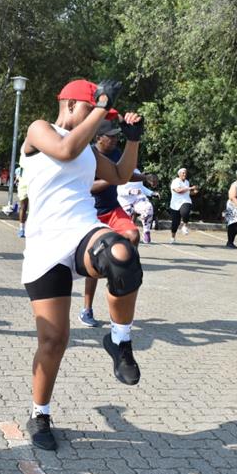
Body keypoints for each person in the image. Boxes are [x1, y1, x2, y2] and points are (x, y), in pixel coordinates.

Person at [21, 78, 145, 451]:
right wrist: (101, 106)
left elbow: (122, 175)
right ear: (72, 104)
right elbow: (63, 150)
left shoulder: (89, 152)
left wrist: (133, 139)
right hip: (44, 248)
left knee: (122, 255)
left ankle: (119, 340)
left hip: (81, 232)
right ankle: (39, 413)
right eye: (91, 110)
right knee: (54, 339)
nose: (98, 123)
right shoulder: (40, 130)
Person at [79, 118, 144, 328]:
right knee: (96, 261)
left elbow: (126, 174)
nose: (116, 139)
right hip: (93, 212)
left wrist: (144, 177)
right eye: (112, 136)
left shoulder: (116, 153)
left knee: (133, 235)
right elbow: (88, 187)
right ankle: (86, 310)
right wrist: (113, 177)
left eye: (118, 136)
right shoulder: (88, 154)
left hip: (113, 210)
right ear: (99, 138)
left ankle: (120, 273)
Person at [117, 170, 158, 245]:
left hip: (138, 199)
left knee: (148, 208)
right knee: (125, 222)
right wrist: (130, 191)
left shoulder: (137, 172)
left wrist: (151, 193)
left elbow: (141, 187)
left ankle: (146, 231)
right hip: (125, 202)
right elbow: (118, 190)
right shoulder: (121, 170)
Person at [168, 167, 198, 243]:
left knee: (185, 212)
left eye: (185, 173)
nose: (185, 174)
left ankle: (185, 226)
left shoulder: (187, 182)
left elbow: (187, 192)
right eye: (183, 173)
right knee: (175, 223)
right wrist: (190, 188)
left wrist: (194, 192)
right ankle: (173, 237)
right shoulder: (176, 181)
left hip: (185, 201)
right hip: (175, 204)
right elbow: (178, 191)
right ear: (179, 174)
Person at [16, 154, 29, 238]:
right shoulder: (24, 151)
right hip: (24, 183)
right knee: (23, 207)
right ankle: (22, 229)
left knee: (36, 206)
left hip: (36, 182)